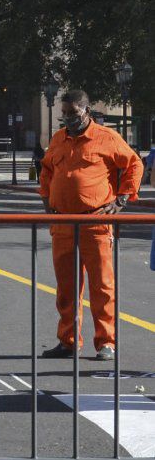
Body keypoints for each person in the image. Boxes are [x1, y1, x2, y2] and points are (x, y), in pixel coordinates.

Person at [38, 89, 141, 361]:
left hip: (95, 221)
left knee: (102, 286)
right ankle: (68, 340)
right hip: (62, 223)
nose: (68, 119)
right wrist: (46, 197)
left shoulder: (107, 138)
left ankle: (106, 342)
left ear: (87, 111)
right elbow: (47, 168)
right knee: (66, 287)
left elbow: (133, 164)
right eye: (65, 114)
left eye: (73, 113)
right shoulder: (58, 139)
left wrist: (121, 199)